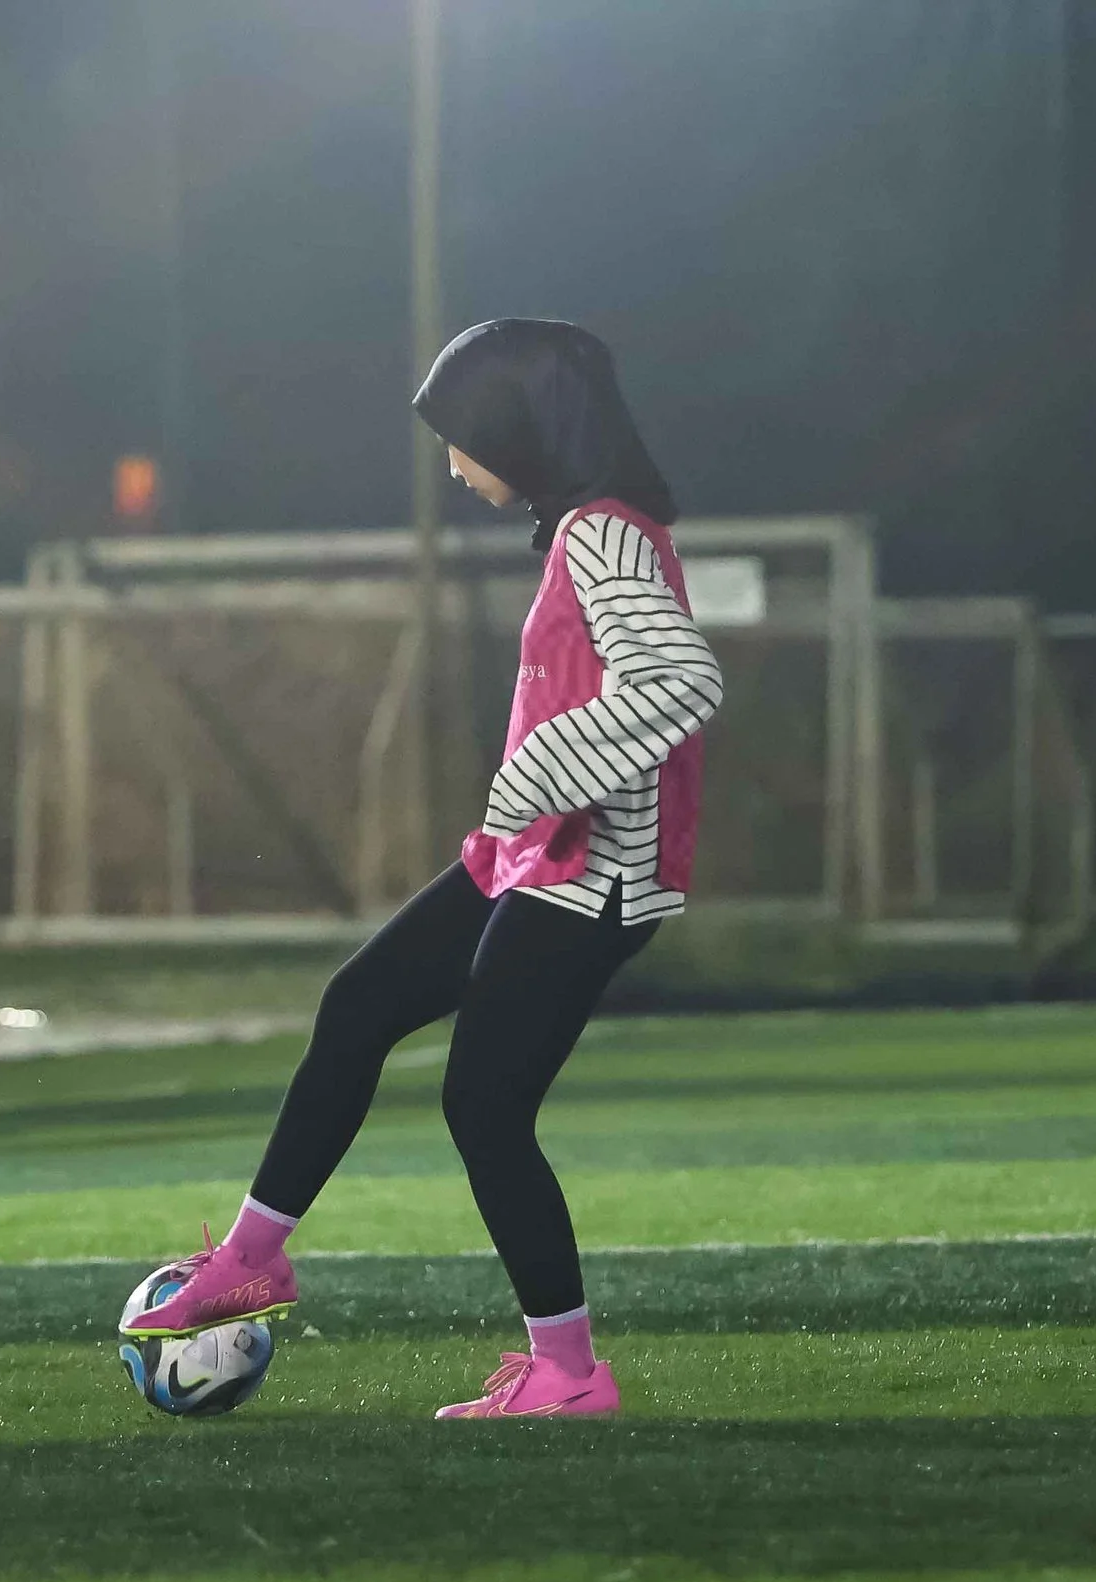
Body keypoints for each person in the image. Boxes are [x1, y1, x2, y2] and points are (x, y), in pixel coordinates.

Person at [120, 319, 722, 1418]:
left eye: (459, 436)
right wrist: (525, 803)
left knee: (485, 1106)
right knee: (358, 1006)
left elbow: (681, 679)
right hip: (525, 859)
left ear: (519, 426)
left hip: (588, 873)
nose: (450, 462)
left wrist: (538, 770)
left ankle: (570, 1375)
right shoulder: (585, 529)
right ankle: (254, 1258)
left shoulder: (603, 533)